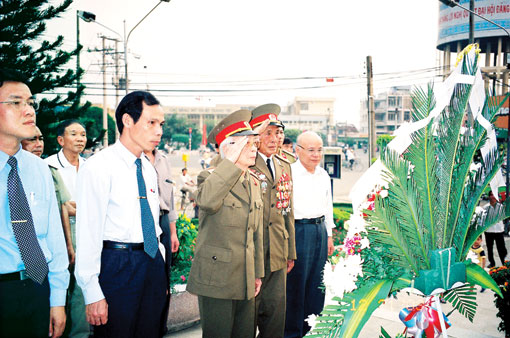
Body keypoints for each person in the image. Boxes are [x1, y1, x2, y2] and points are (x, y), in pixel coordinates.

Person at [75, 91, 167, 338]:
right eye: (151, 123)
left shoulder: (146, 167)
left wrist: (159, 259)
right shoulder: (99, 167)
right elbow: (88, 232)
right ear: (127, 121)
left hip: (150, 263)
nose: (159, 131)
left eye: (161, 124)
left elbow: (153, 221)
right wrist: (92, 291)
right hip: (117, 265)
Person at [0, 71, 69, 337]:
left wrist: (57, 299)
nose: (28, 110)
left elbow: (54, 238)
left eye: (30, 103)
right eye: (16, 102)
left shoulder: (40, 169)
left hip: (37, 287)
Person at [187, 109, 264, 338]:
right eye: (247, 144)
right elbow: (207, 202)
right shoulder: (209, 177)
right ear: (230, 147)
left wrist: (257, 273)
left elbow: (255, 234)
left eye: (254, 143)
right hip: (217, 277)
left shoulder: (252, 180)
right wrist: (229, 162)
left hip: (246, 277)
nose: (254, 149)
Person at [249, 103, 296, 338]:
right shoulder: (244, 162)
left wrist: (291, 252)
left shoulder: (284, 165)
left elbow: (287, 210)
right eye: (268, 132)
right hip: (252, 253)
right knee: (247, 319)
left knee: (275, 320)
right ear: (255, 134)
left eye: (278, 133)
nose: (274, 138)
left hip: (278, 252)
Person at [285, 131, 335, 338]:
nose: (316, 155)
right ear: (298, 151)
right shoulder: (289, 173)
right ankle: (291, 333)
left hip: (319, 231)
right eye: (311, 150)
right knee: (296, 286)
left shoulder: (323, 175)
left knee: (317, 285)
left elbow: (328, 206)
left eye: (319, 150)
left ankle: (311, 331)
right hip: (299, 231)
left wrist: (330, 235)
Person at [45, 119, 89, 338]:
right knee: (60, 285)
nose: (80, 139)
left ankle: (80, 333)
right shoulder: (49, 165)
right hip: (59, 232)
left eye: (82, 134)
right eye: (74, 134)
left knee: (83, 285)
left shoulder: (90, 166)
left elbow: (91, 204)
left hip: (86, 232)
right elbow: (58, 206)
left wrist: (74, 208)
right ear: (61, 139)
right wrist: (70, 208)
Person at [21, 126, 74, 265]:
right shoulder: (10, 173)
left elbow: (62, 208)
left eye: (41, 139)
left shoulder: (50, 172)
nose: (38, 144)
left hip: (51, 250)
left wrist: (68, 245)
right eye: (32, 140)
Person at [143, 147, 180, 337]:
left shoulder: (163, 160)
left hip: (163, 220)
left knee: (163, 278)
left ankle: (160, 327)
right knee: (145, 275)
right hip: (142, 222)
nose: (157, 131)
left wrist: (172, 233)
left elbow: (170, 199)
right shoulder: (134, 159)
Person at [484, 191, 508, 268]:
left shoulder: (501, 207)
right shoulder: (486, 207)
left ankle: (503, 262)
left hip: (499, 231)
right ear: (489, 197)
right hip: (489, 231)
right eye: (491, 195)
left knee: (501, 248)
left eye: (494, 195)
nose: (493, 197)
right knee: (489, 248)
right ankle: (492, 263)